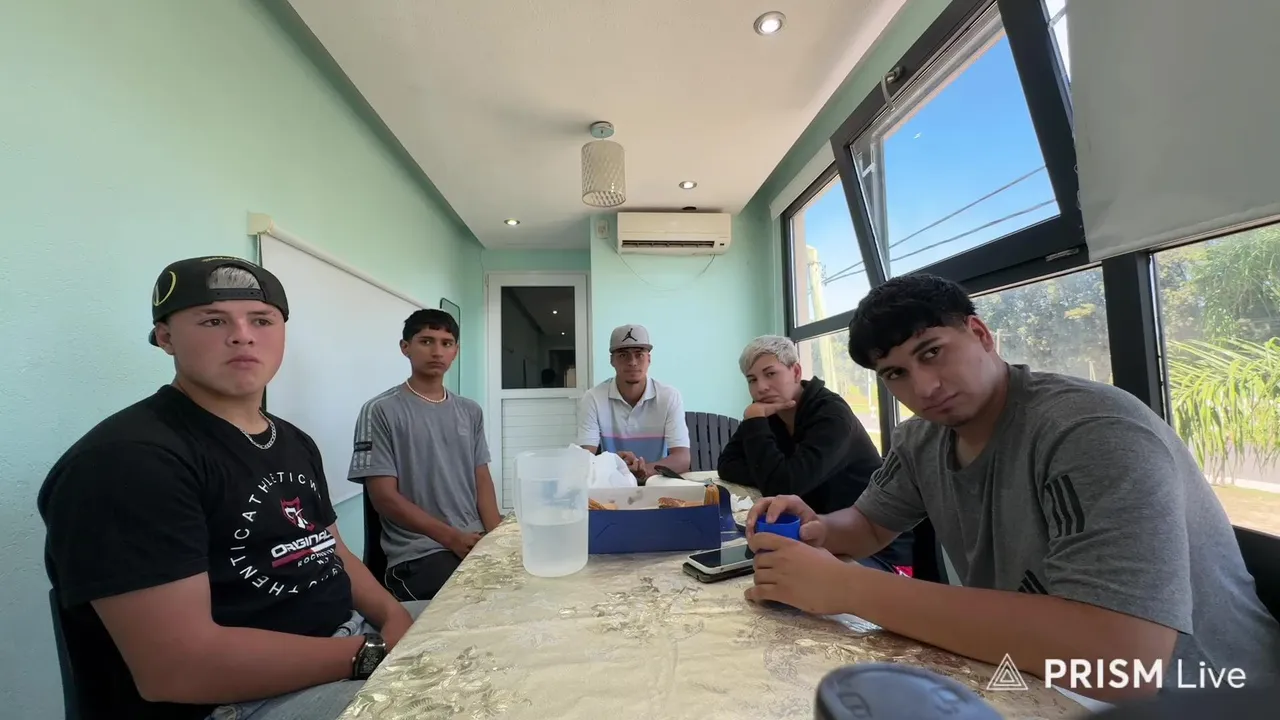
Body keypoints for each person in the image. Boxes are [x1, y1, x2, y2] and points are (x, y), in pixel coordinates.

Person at [744, 274, 1280, 702]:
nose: (923, 387)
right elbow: (869, 524)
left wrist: (848, 589)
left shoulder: (1091, 431)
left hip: (1205, 694)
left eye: (931, 352)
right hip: (1036, 680)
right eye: (895, 374)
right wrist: (817, 529)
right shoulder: (922, 437)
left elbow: (1123, 660)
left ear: (980, 334)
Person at [37, 257, 423, 720]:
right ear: (165, 337)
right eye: (213, 321)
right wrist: (371, 654)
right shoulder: (128, 461)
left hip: (345, 641)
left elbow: (329, 549)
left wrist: (395, 618)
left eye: (261, 320)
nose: (242, 335)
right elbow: (178, 668)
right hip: (239, 700)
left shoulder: (293, 441)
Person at [717, 335, 914, 575]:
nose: (761, 387)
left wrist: (776, 468)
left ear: (796, 371)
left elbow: (782, 485)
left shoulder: (831, 414)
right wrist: (777, 471)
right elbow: (727, 465)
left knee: (781, 578)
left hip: (876, 550)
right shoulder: (766, 412)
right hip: (814, 532)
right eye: (752, 379)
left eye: (770, 374)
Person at [349, 309, 501, 602]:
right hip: (419, 553)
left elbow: (481, 478)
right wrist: (451, 538)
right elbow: (384, 498)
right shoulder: (380, 410)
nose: (437, 352)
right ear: (405, 347)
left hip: (473, 541)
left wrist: (496, 540)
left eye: (446, 343)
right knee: (473, 603)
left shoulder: (470, 411)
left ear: (456, 351)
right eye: (426, 341)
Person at [577, 324, 691, 479]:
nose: (632, 362)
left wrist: (644, 469)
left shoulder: (669, 396)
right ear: (612, 361)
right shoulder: (593, 398)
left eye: (639, 354)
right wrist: (615, 465)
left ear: (649, 359)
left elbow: (682, 459)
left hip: (656, 481)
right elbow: (585, 458)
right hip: (613, 482)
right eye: (623, 355)